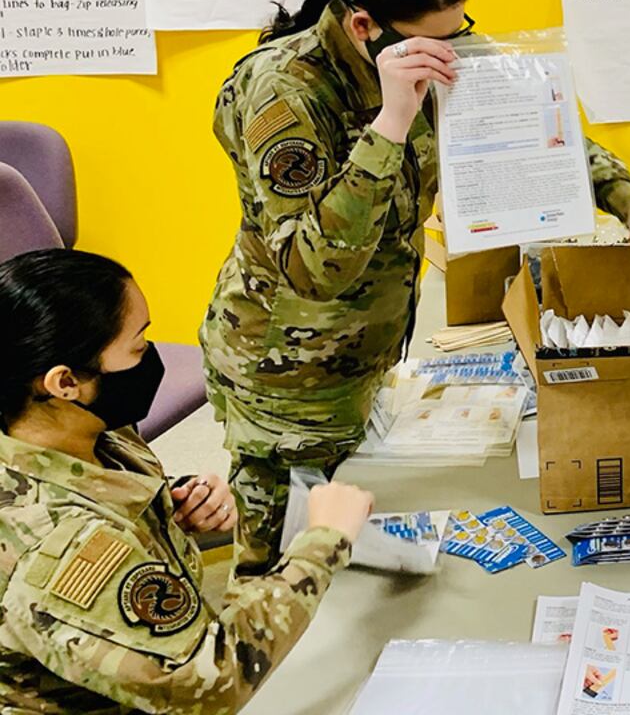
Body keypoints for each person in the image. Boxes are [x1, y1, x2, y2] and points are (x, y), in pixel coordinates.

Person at [203, 0, 630, 579]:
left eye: (459, 33)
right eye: (435, 43)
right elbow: (314, 269)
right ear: (363, 28)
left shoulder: (439, 49)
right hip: (286, 374)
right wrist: (392, 123)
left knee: (351, 554)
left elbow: (544, 132)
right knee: (280, 584)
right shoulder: (283, 94)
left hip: (372, 352)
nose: (453, 56)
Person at [0, 248, 374, 714]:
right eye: (138, 346)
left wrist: (168, 509)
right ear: (65, 382)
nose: (151, 357)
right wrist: (323, 543)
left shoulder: (74, 430)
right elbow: (212, 685)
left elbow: (97, 496)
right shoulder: (62, 548)